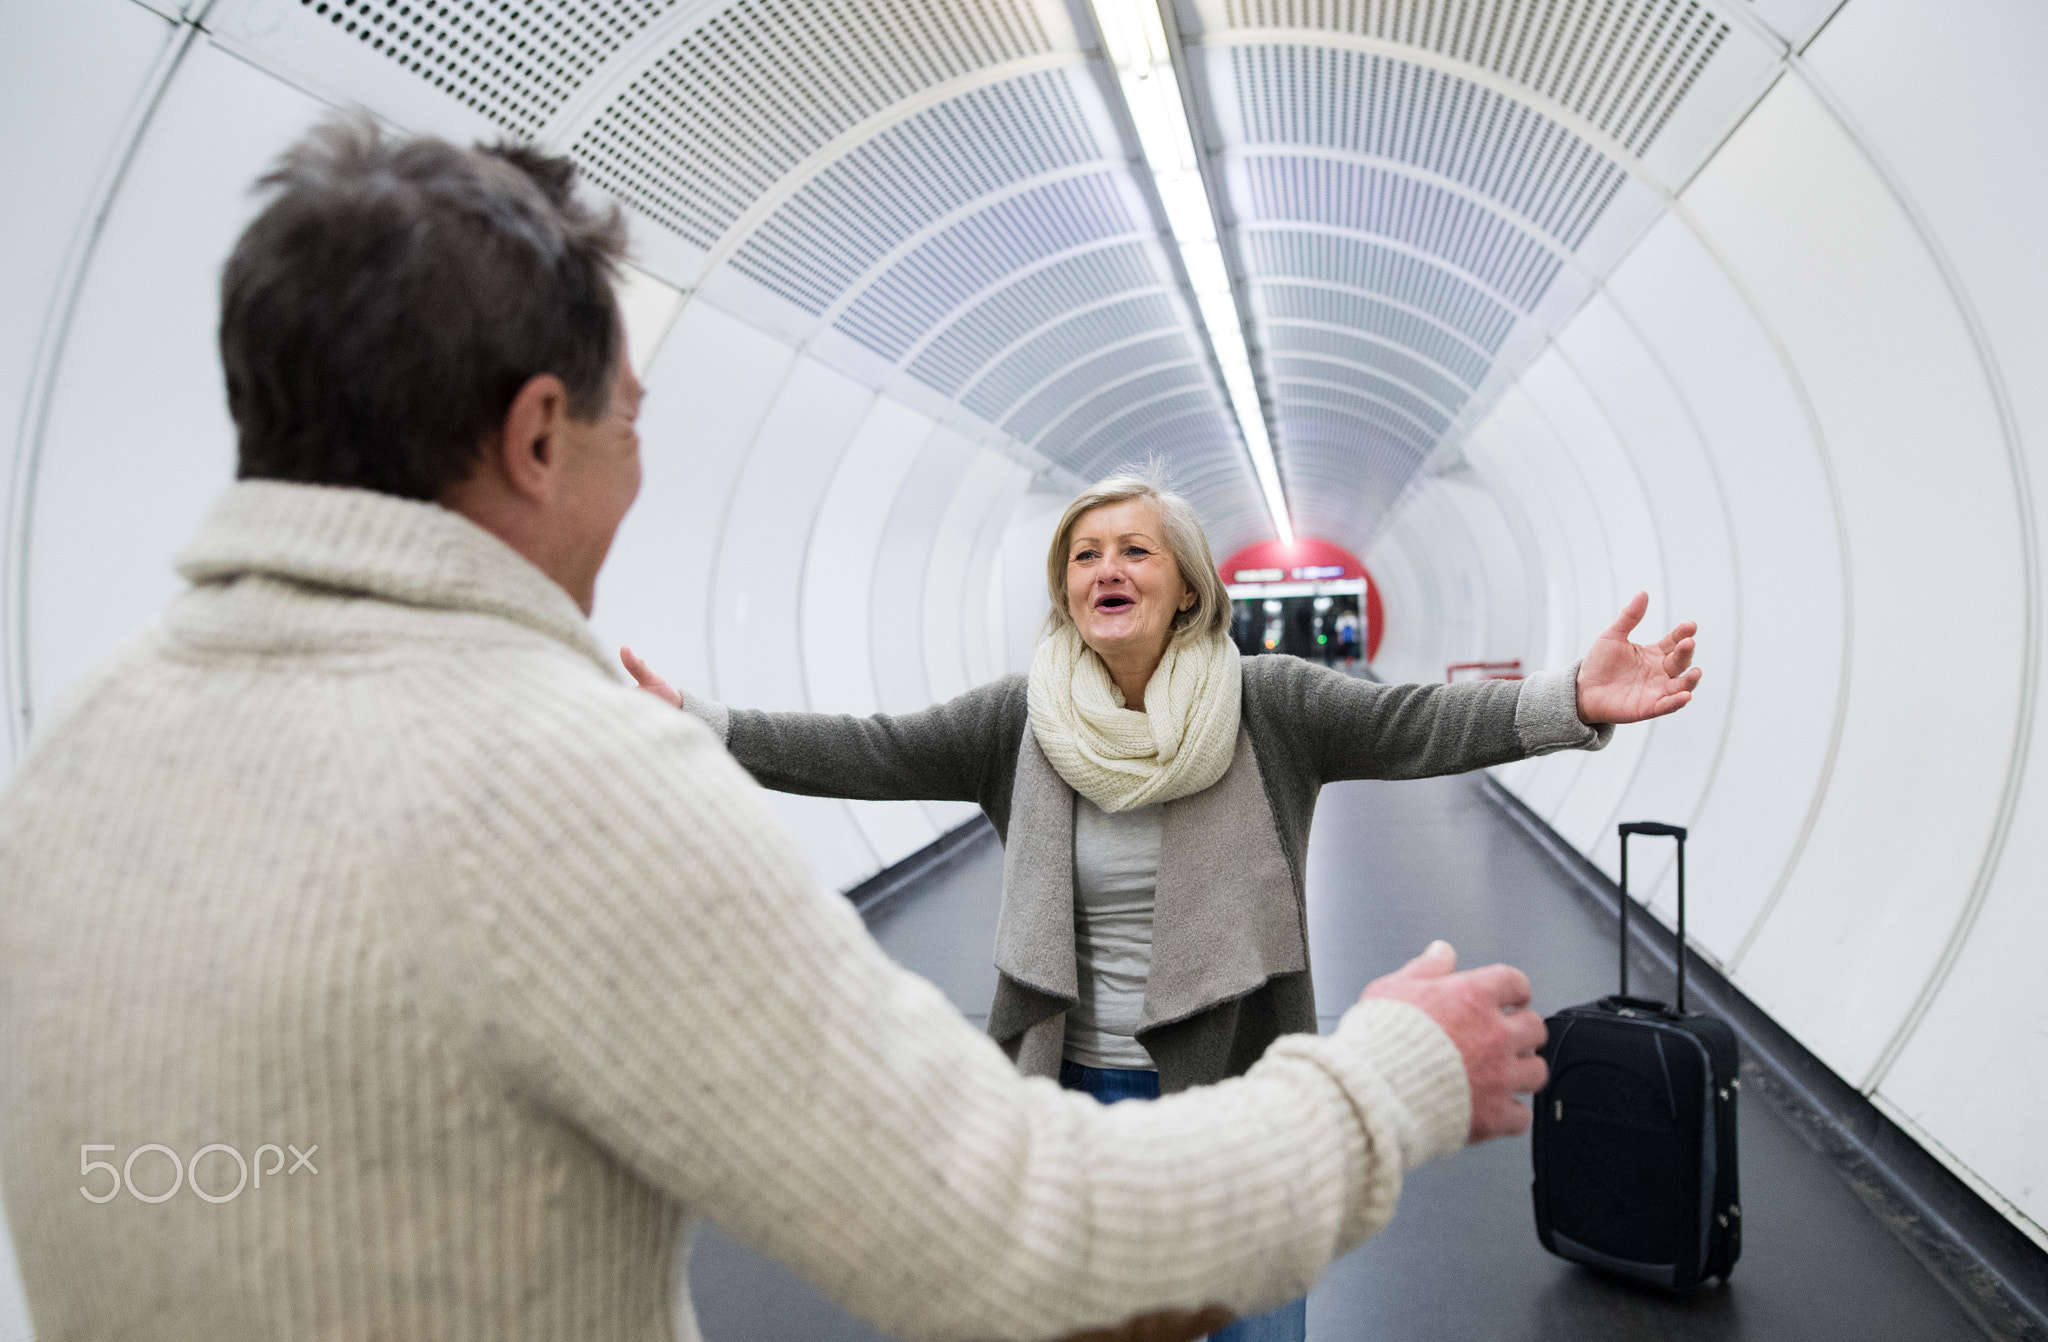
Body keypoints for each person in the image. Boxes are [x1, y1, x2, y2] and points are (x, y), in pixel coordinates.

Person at [0, 118, 1550, 1342]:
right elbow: (1007, 1230)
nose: (638, 464)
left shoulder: (77, 752)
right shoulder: (575, 787)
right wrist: (1393, 1077)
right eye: (632, 419)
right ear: (542, 434)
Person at [623, 473, 1700, 1342]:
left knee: (1244, 1319)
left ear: (1185, 585)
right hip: (1066, 1091)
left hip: (1233, 1080)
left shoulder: (1266, 701)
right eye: (1083, 554)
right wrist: (700, 723)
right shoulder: (1024, 719)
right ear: (1063, 590)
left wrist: (1568, 700)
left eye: (1131, 548)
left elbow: (1417, 721)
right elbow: (871, 748)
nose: (1104, 568)